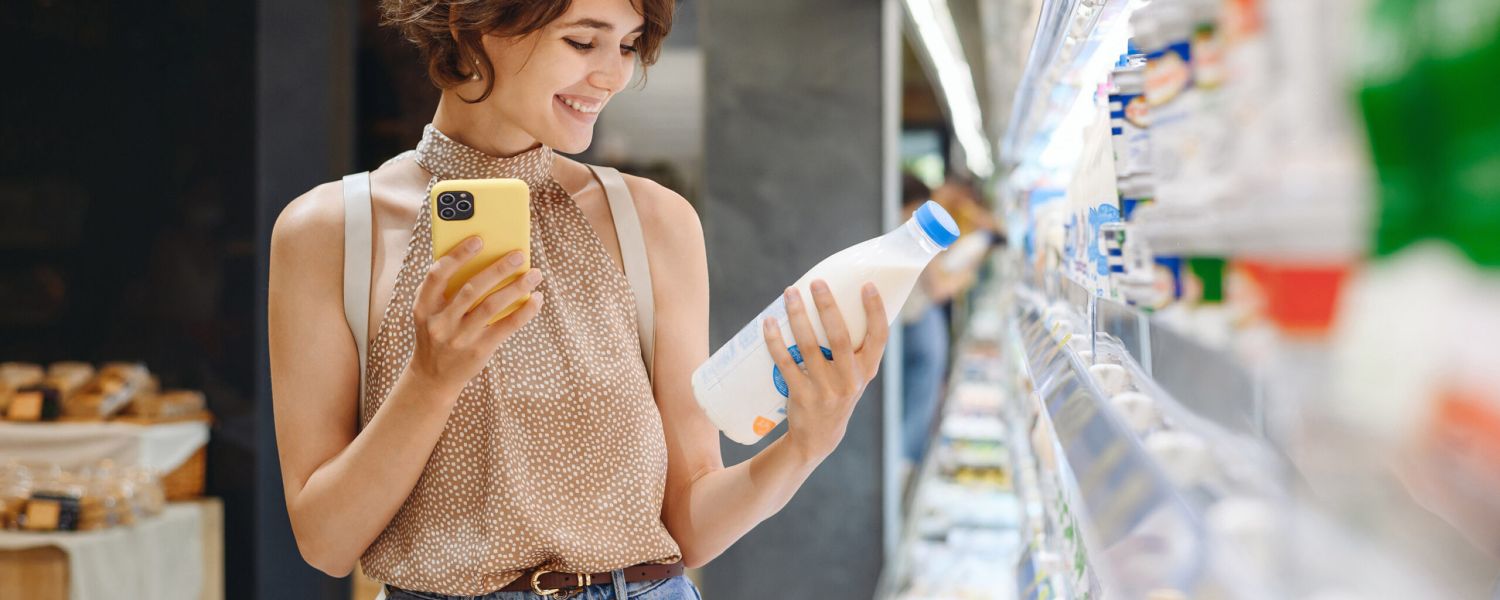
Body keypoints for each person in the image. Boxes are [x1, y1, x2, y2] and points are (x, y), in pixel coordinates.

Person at [266, 1, 893, 599]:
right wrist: (429, 382)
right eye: (581, 41)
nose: (614, 74)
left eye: (626, 45)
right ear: (472, 22)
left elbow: (690, 526)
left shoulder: (653, 222)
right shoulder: (329, 234)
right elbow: (325, 541)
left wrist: (805, 447)